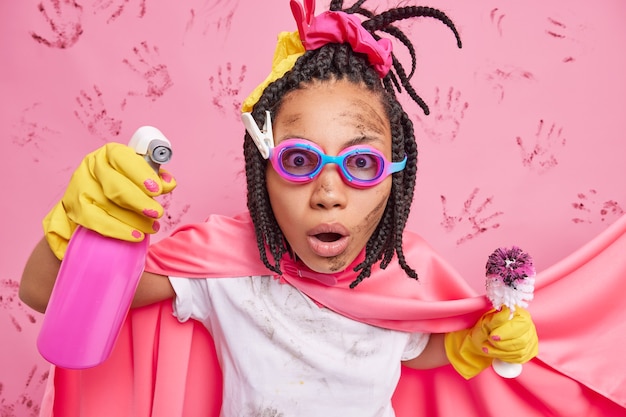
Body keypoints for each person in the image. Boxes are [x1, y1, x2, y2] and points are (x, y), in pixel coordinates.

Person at [20, 1, 541, 416]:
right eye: (299, 159)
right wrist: (84, 228)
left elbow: (409, 349)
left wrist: (473, 345)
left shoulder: (403, 275)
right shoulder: (222, 269)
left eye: (361, 163)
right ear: (262, 172)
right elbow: (46, 294)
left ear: (394, 177)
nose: (329, 193)